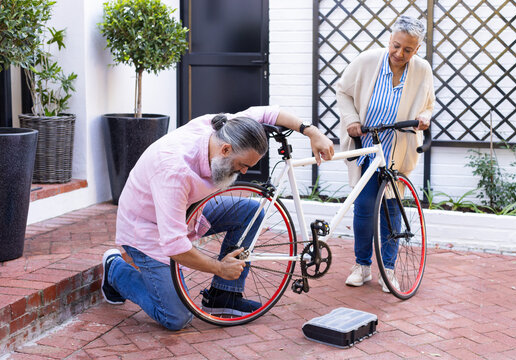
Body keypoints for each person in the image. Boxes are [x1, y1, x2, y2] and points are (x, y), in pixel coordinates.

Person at [100, 105, 334, 330]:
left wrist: (312, 132)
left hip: (188, 212)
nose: (244, 172)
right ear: (225, 150)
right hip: (147, 228)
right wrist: (219, 268)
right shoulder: (175, 170)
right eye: (242, 165)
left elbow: (270, 112)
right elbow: (174, 245)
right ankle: (115, 270)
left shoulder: (229, 128)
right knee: (176, 318)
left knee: (251, 211)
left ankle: (224, 295)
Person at [336, 16, 435, 292]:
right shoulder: (367, 61)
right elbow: (343, 92)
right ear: (390, 39)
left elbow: (428, 103)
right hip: (368, 147)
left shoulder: (422, 70)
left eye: (408, 50)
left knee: (392, 211)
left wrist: (424, 117)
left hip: (397, 148)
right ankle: (362, 265)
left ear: (417, 50)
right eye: (396, 45)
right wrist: (351, 119)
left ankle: (388, 269)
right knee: (365, 208)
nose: (400, 54)